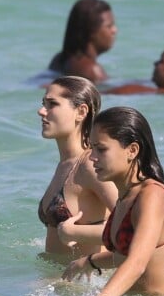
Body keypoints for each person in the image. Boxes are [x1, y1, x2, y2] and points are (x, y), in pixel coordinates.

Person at [62, 106, 164, 296]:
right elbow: (126, 256)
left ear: (132, 150)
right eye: (92, 147)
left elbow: (137, 263)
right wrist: (89, 262)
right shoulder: (126, 196)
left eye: (101, 149)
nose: (92, 157)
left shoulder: (151, 195)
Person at [38, 76, 118, 259]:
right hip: (57, 279)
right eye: (43, 103)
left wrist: (75, 232)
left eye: (52, 104)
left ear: (81, 112)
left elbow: (134, 226)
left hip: (86, 283)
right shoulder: (65, 164)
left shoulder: (90, 165)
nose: (41, 111)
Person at [48, 0, 117, 85]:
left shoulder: (59, 59)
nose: (114, 30)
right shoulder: (92, 70)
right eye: (109, 26)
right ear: (91, 31)